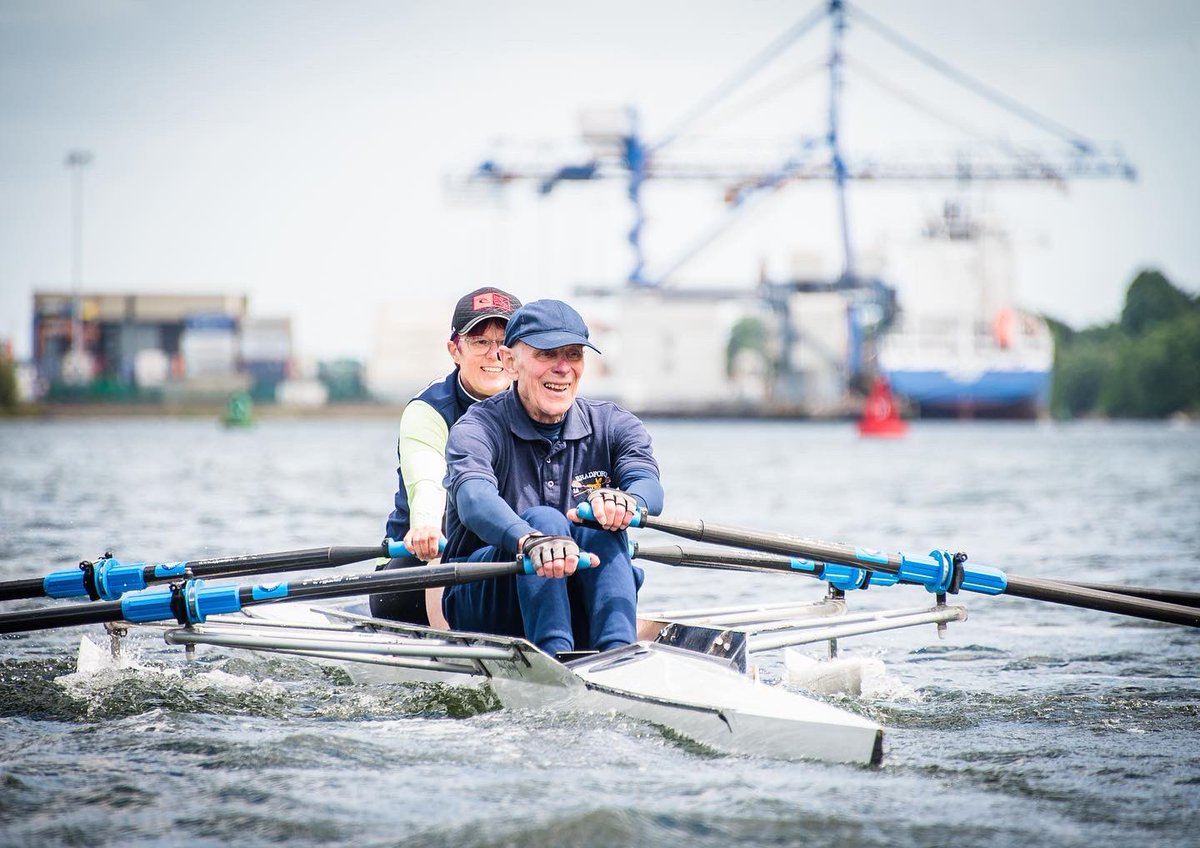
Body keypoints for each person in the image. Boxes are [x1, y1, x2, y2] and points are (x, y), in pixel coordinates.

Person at [440, 299, 664, 657]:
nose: (563, 368)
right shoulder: (477, 427)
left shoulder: (614, 424)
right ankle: (554, 655)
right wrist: (529, 540)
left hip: (579, 583)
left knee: (599, 521)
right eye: (547, 354)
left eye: (573, 355)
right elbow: (474, 500)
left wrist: (628, 502)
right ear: (510, 362)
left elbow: (648, 486)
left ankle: (620, 654)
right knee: (545, 521)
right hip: (489, 600)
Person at [371, 286, 521, 626]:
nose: (495, 355)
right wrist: (425, 525)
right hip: (419, 570)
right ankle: (456, 661)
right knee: (445, 550)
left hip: (504, 557)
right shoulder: (429, 410)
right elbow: (427, 480)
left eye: (504, 343)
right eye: (480, 342)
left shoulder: (540, 404)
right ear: (455, 349)